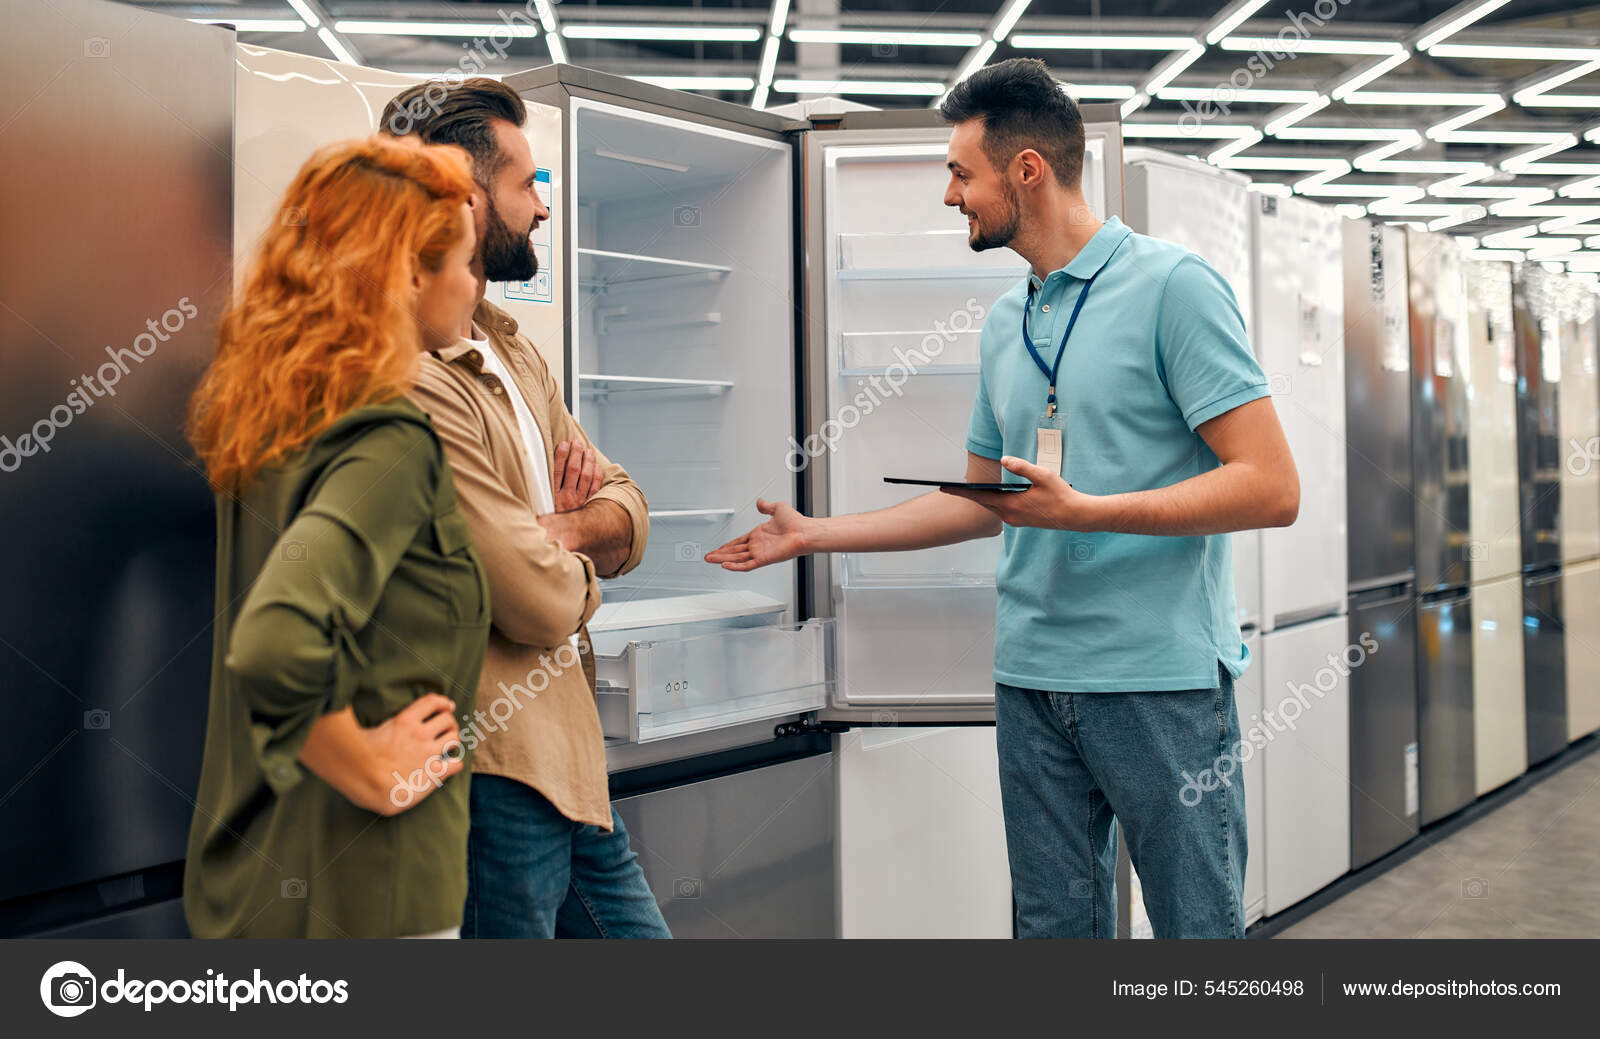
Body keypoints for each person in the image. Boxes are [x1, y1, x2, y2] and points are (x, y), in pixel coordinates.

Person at [707, 58, 1299, 939]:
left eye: (959, 172)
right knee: (1053, 933)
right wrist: (812, 534)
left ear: (1027, 169)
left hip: (1159, 684)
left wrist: (1090, 511)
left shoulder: (1174, 288)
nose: (950, 196)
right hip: (1032, 681)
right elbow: (980, 497)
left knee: (1196, 934)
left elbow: (1273, 486)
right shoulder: (1005, 321)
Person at [381, 79, 670, 939]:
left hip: (571, 763)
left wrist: (567, 530)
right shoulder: (414, 375)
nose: (542, 207)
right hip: (491, 770)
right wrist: (576, 557)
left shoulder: (508, 346)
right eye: (527, 184)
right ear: (466, 198)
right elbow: (530, 597)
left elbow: (630, 505)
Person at [183, 136, 488, 938]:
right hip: (366, 893)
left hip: (252, 880)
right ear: (411, 273)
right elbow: (272, 642)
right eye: (465, 260)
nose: (474, 285)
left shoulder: (271, 426)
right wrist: (371, 763)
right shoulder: (391, 442)